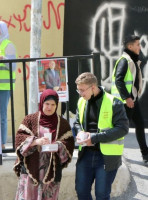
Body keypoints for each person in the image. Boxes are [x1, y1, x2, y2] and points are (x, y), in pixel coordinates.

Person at [73, 72, 129, 200]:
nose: (80, 93)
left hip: (106, 157)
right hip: (86, 154)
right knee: (81, 191)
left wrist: (94, 137)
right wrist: (80, 131)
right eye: (78, 90)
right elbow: (77, 122)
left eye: (82, 90)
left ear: (93, 87)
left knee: (102, 194)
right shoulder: (81, 101)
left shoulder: (114, 102)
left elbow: (122, 129)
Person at [13, 89, 74, 200]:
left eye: (53, 104)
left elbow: (69, 143)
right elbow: (19, 139)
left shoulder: (63, 124)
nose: (49, 107)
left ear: (56, 105)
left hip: (52, 172)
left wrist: (58, 146)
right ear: (41, 103)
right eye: (47, 104)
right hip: (30, 169)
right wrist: (35, 141)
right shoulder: (29, 120)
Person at [111, 34, 148, 164]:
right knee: (120, 129)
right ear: (130, 46)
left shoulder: (132, 60)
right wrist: (127, 98)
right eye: (137, 45)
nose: (139, 47)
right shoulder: (124, 61)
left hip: (132, 100)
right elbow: (119, 80)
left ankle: (145, 154)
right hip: (124, 102)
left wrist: (132, 97)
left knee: (140, 124)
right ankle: (113, 154)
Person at [0, 21, 17, 149]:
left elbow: (13, 66)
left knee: (2, 115)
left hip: (4, 87)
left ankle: (2, 143)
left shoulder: (8, 45)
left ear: (2, 31)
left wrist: (2, 59)